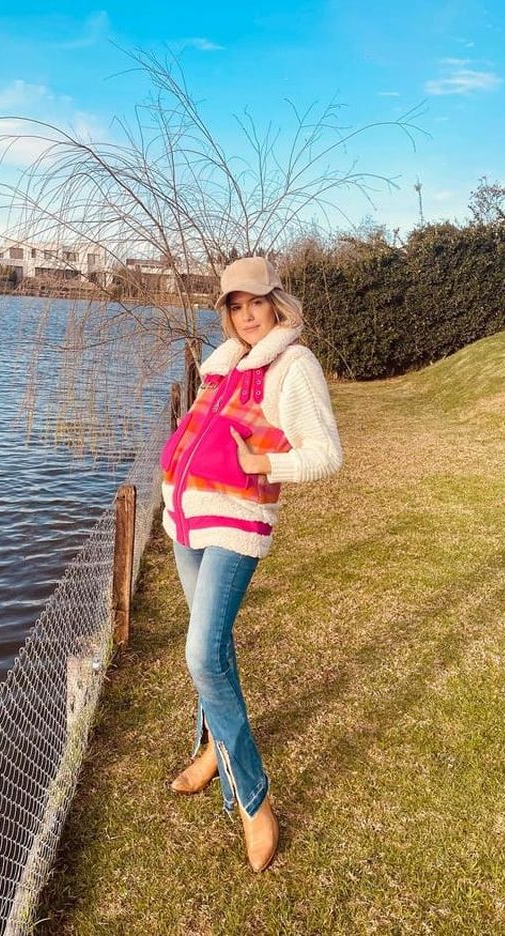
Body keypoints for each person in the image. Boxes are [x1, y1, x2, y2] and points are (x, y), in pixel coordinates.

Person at [159, 256, 343, 872]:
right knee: (212, 647)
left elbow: (325, 455)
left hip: (237, 525)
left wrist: (263, 465)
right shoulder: (223, 365)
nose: (246, 316)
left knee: (200, 653)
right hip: (187, 521)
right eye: (235, 307)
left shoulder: (294, 364)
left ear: (277, 303)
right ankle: (213, 747)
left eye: (256, 304)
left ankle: (252, 797)